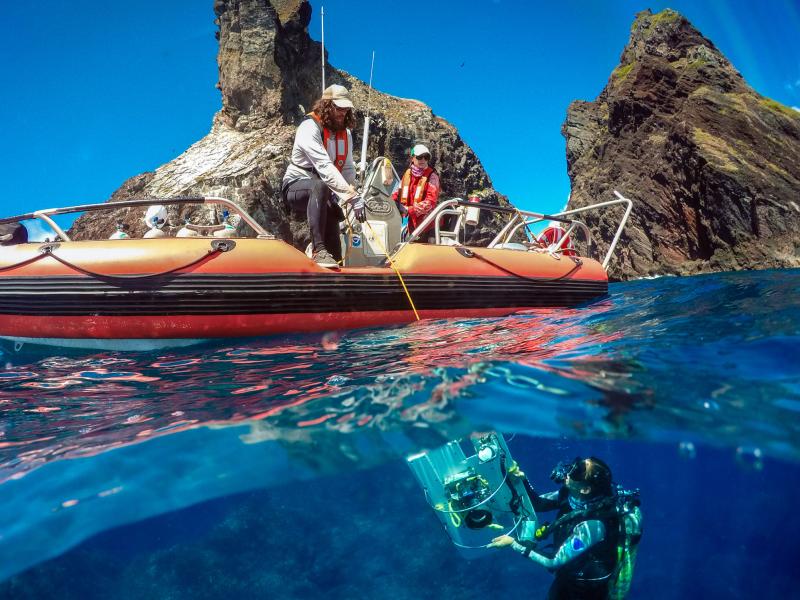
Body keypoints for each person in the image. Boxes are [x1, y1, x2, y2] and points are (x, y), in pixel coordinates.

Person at [489, 457, 642, 600]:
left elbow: (553, 561)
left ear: (585, 489)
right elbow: (539, 503)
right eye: (576, 465)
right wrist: (522, 480)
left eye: (577, 472)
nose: (569, 472)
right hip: (568, 577)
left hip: (585, 590)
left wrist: (513, 543)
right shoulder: (570, 495)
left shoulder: (593, 525)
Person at [282, 84, 366, 267]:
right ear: (326, 105)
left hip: (325, 191)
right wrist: (350, 196)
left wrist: (353, 193)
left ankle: (333, 269)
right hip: (296, 185)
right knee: (318, 186)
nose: (342, 113)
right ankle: (318, 250)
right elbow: (324, 166)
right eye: (338, 108)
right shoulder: (308, 128)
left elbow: (348, 169)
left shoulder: (347, 135)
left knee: (334, 221)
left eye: (346, 109)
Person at [392, 143, 440, 242]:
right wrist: (389, 201)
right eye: (419, 157)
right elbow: (398, 192)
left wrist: (409, 210)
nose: (423, 160)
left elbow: (430, 202)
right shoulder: (407, 174)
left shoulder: (432, 176)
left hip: (427, 224)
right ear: (412, 158)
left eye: (426, 157)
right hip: (411, 223)